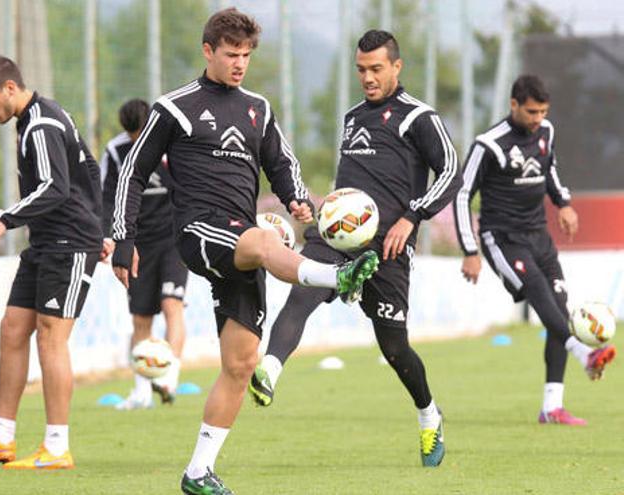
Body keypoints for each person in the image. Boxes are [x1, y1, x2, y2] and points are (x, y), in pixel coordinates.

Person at [111, 9, 378, 493]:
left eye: (246, 56)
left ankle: (198, 472)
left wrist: (298, 197)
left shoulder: (258, 108)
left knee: (240, 363)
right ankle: (335, 277)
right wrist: (123, 238)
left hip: (242, 241)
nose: (239, 64)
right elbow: (131, 173)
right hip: (199, 232)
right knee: (262, 238)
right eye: (231, 54)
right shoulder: (174, 107)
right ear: (208, 51)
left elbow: (283, 164)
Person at [249, 30, 462, 468]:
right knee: (303, 291)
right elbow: (353, 181)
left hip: (388, 248)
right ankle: (269, 368)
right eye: (361, 69)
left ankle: (428, 414)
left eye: (376, 69)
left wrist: (413, 215)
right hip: (337, 236)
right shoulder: (351, 117)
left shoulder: (418, 118)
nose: (368, 77)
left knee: (395, 349)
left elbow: (451, 171)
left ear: (396, 67)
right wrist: (319, 209)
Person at [0, 56, 104, 471]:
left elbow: (56, 187)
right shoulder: (35, 118)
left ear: (11, 88)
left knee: (51, 338)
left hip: (69, 242)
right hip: (48, 240)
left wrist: (5, 217)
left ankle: (56, 446)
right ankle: (0, 437)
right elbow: (89, 167)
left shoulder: (41, 123)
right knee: (13, 329)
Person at [454, 74, 616, 425]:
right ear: (513, 105)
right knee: (539, 293)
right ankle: (584, 353)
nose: (537, 118)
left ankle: (551, 407)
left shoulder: (546, 131)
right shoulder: (489, 144)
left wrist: (565, 204)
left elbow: (550, 169)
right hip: (503, 238)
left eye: (543, 111)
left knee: (558, 308)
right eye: (531, 112)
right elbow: (462, 194)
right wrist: (470, 249)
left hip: (539, 236)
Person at [100, 99, 187, 409]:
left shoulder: (172, 144)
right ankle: (140, 391)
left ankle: (169, 378)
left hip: (174, 240)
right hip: (138, 244)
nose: (138, 142)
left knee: (172, 305)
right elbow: (107, 199)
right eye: (132, 135)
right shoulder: (115, 151)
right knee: (141, 318)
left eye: (141, 134)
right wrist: (109, 236)